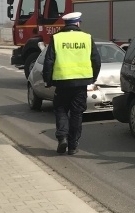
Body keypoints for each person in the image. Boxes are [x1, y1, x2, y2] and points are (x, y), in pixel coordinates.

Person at [42, 12, 101, 155]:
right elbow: (96, 60)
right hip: (81, 83)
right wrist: (93, 78)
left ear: (65, 24)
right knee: (76, 114)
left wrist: (48, 80)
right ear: (78, 23)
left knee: (61, 110)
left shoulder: (57, 38)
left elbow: (49, 61)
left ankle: (62, 138)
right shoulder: (87, 38)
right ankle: (73, 146)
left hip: (62, 83)